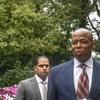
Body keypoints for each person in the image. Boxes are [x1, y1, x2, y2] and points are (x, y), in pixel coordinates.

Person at [47, 28, 100, 100]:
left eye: (83, 42)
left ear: (93, 45)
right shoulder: (55, 73)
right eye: (74, 43)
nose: (78, 46)